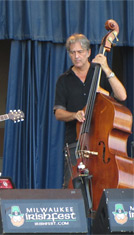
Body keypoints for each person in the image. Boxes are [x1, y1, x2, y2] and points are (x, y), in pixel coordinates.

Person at [53, 34, 127, 188]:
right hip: (76, 143)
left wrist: (106, 68)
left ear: (88, 52)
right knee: (73, 189)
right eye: (72, 53)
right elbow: (58, 112)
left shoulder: (100, 72)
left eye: (80, 52)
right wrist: (74, 114)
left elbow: (122, 96)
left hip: (102, 145)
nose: (76, 56)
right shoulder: (64, 80)